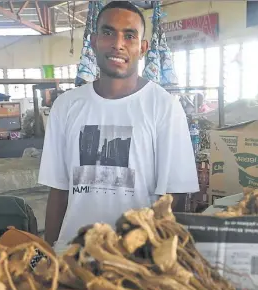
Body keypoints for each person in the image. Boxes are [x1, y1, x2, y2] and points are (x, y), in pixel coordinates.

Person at [38, 0, 199, 252]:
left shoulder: (164, 107)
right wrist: (46, 253)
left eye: (130, 35)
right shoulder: (66, 106)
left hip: (135, 259)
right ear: (93, 40)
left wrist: (157, 256)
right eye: (108, 32)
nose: (118, 44)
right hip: (71, 254)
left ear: (142, 47)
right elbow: (58, 190)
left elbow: (173, 199)